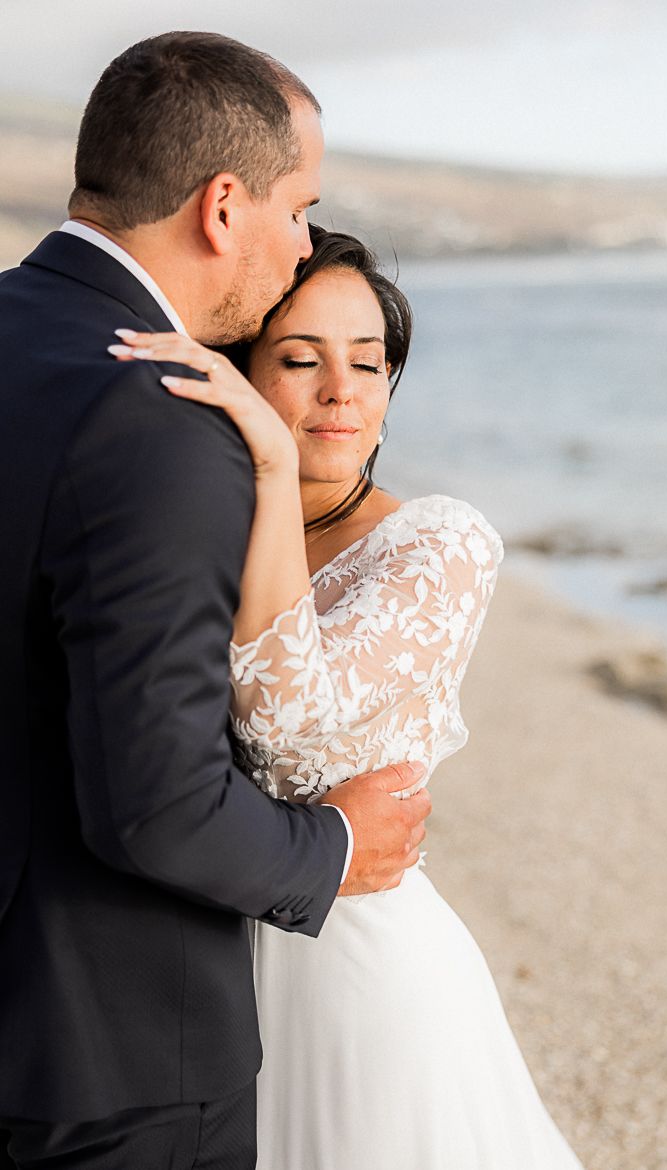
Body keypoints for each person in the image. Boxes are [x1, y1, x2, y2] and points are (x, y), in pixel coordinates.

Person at [0, 33, 428, 1168]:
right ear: (223, 206)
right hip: (110, 1055)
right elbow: (155, 806)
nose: (303, 244)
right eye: (300, 207)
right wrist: (333, 850)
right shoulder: (156, 422)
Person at [116, 225, 585, 1167]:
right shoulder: (198, 531)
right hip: (201, 967)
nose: (342, 392)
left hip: (360, 974)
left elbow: (289, 733)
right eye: (300, 359)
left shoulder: (440, 545)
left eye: (368, 365)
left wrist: (274, 463)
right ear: (238, 372)